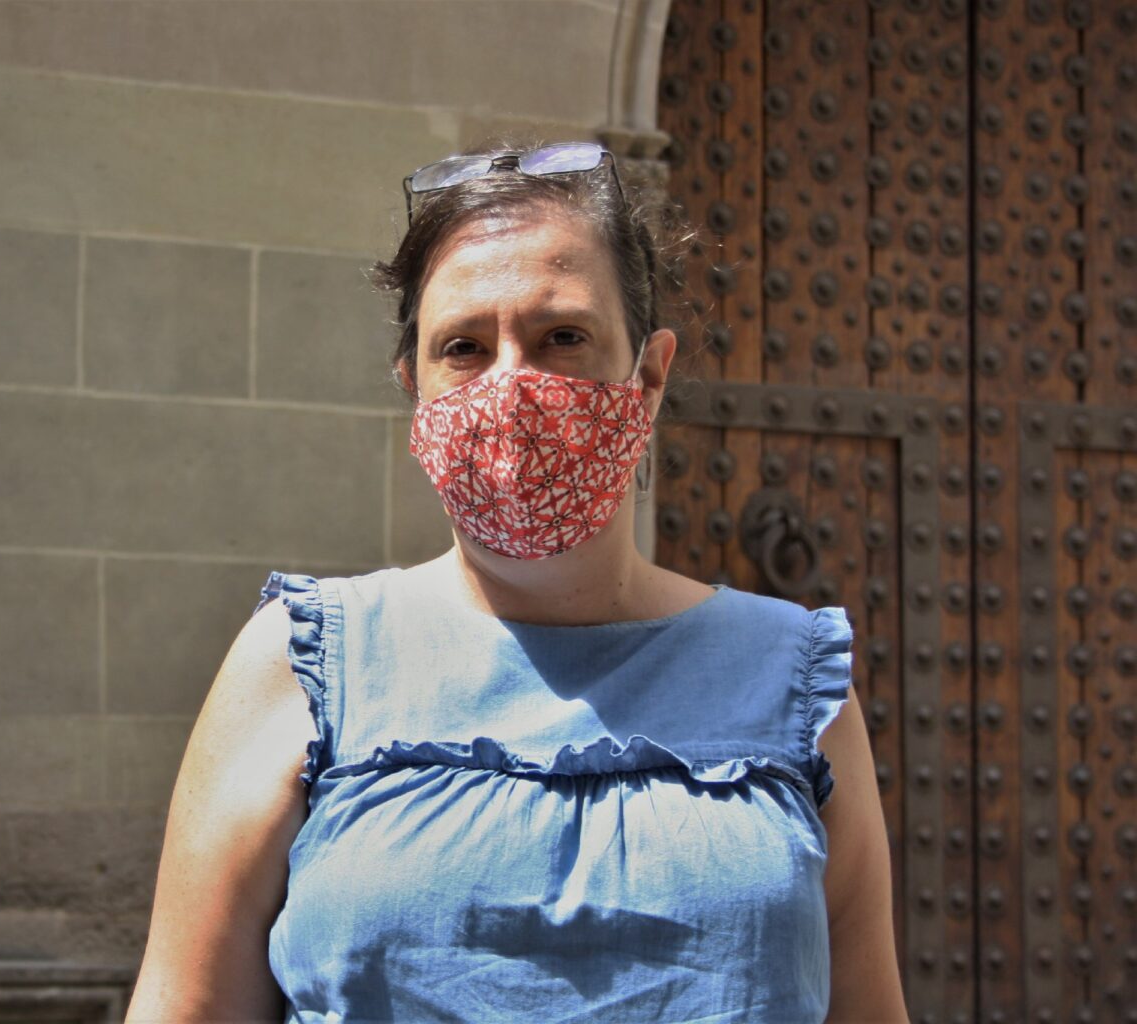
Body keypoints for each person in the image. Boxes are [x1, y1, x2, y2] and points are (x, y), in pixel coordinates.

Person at [126, 140, 908, 1023]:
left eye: (561, 337)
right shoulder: (300, 665)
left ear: (649, 377)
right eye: (463, 347)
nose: (512, 388)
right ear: (415, 391)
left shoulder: (794, 681)